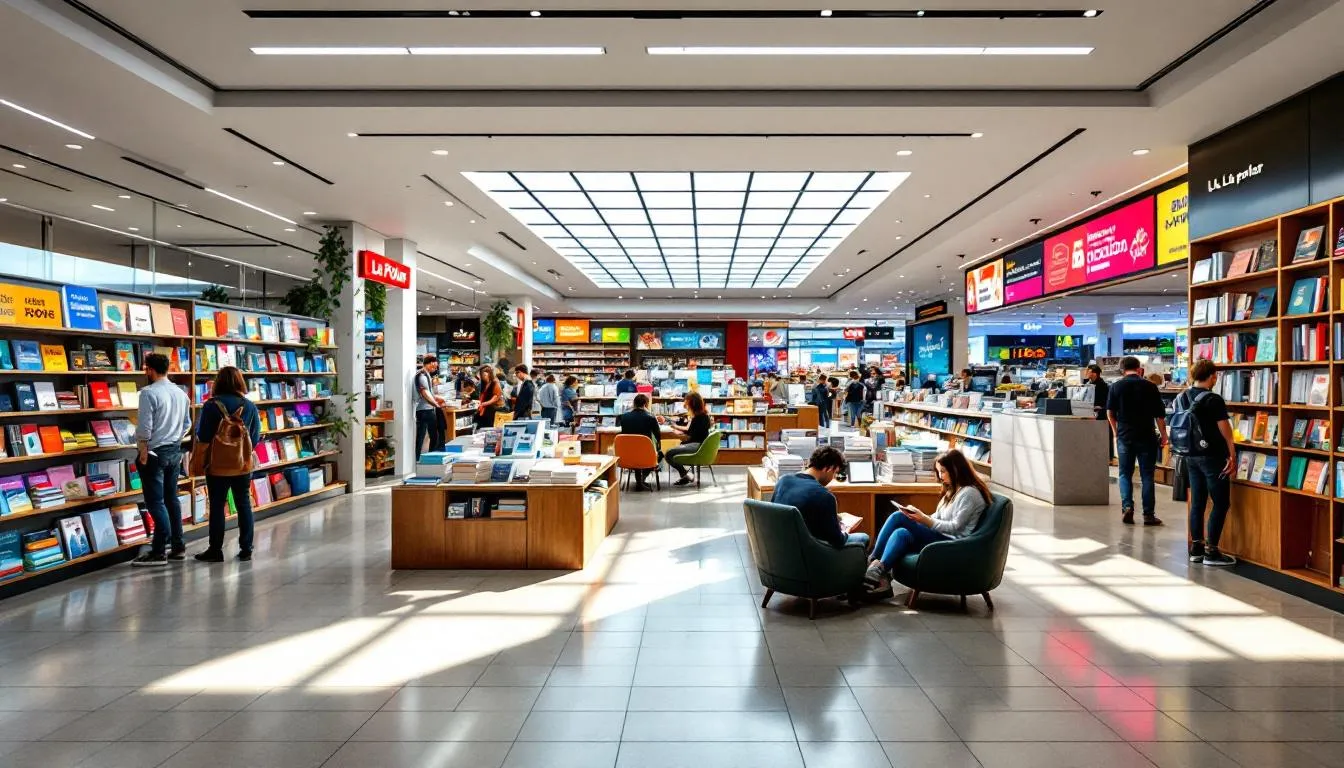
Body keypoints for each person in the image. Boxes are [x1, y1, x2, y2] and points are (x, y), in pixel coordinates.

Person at [865, 449, 991, 592]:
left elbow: (955, 527)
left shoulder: (969, 493)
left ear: (955, 469)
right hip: (941, 536)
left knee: (898, 517)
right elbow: (937, 517)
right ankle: (881, 576)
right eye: (938, 471)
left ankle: (870, 562)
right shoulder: (953, 490)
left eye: (943, 471)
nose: (940, 476)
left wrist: (924, 520)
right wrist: (919, 515)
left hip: (953, 543)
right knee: (901, 533)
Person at [193, 367, 262, 563]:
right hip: (242, 464)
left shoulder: (211, 406)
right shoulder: (249, 406)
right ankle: (246, 549)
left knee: (217, 505)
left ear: (219, 382)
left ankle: (215, 550)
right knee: (244, 503)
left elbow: (203, 436)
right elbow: (255, 436)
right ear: (240, 382)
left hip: (217, 466)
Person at [132, 352, 192, 567]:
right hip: (175, 451)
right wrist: (174, 438)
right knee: (171, 499)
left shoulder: (148, 393)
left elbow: (144, 428)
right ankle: (177, 546)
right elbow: (187, 424)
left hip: (154, 453)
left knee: (155, 502)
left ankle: (159, 549)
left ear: (149, 369)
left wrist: (143, 450)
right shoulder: (181, 393)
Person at [1181, 359, 1236, 566]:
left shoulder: (1183, 396)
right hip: (1213, 456)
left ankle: (1196, 549)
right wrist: (1232, 453)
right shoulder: (1213, 399)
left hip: (1191, 455)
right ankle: (1212, 551)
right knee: (1221, 502)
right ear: (1212, 376)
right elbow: (1224, 429)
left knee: (1198, 502)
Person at [1106, 356, 1168, 526]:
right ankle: (1148, 515)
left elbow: (1110, 413)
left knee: (1125, 473)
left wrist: (1116, 432)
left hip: (1125, 436)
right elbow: (1159, 416)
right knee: (1147, 476)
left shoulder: (1116, 386)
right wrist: (1164, 435)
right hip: (1147, 436)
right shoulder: (1150, 386)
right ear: (1139, 368)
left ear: (1122, 370)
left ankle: (1127, 507)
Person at [771, 445, 868, 549]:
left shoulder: (783, 481)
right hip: (809, 550)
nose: (832, 478)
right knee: (863, 537)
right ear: (829, 468)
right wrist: (845, 530)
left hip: (778, 546)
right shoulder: (825, 496)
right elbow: (837, 541)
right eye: (835, 473)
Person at [617, 393, 663, 491]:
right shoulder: (650, 417)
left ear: (634, 403)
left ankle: (640, 481)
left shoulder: (624, 417)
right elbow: (658, 436)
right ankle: (642, 479)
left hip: (627, 455)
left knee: (635, 451)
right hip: (645, 454)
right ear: (646, 404)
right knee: (660, 454)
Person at [667, 392, 712, 486]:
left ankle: (685, 475)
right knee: (673, 451)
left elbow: (689, 434)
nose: (685, 404)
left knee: (668, 454)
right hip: (700, 444)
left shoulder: (699, 417)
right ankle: (686, 476)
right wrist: (677, 429)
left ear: (692, 403)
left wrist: (676, 432)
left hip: (697, 446)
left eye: (686, 402)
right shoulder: (702, 415)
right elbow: (690, 431)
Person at [414, 355, 446, 459]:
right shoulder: (422, 375)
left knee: (422, 436)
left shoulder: (425, 374)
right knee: (433, 435)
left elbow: (429, 393)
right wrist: (435, 404)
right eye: (435, 365)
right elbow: (425, 393)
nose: (436, 367)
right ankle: (431, 457)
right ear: (432, 363)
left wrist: (438, 399)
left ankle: (418, 458)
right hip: (425, 410)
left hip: (425, 409)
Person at [1086, 363, 1113, 459]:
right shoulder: (1088, 384)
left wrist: (1101, 408)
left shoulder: (1103, 386)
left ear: (1094, 373)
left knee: (1104, 436)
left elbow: (1108, 401)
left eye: (1088, 371)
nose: (1086, 373)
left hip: (1101, 415)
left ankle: (1108, 456)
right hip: (1091, 414)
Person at [475, 365, 502, 430]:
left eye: (484, 375)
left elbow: (496, 397)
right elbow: (482, 396)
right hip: (484, 410)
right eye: (481, 375)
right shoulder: (484, 384)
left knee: (489, 428)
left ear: (489, 374)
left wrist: (484, 403)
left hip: (492, 411)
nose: (482, 377)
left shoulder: (494, 383)